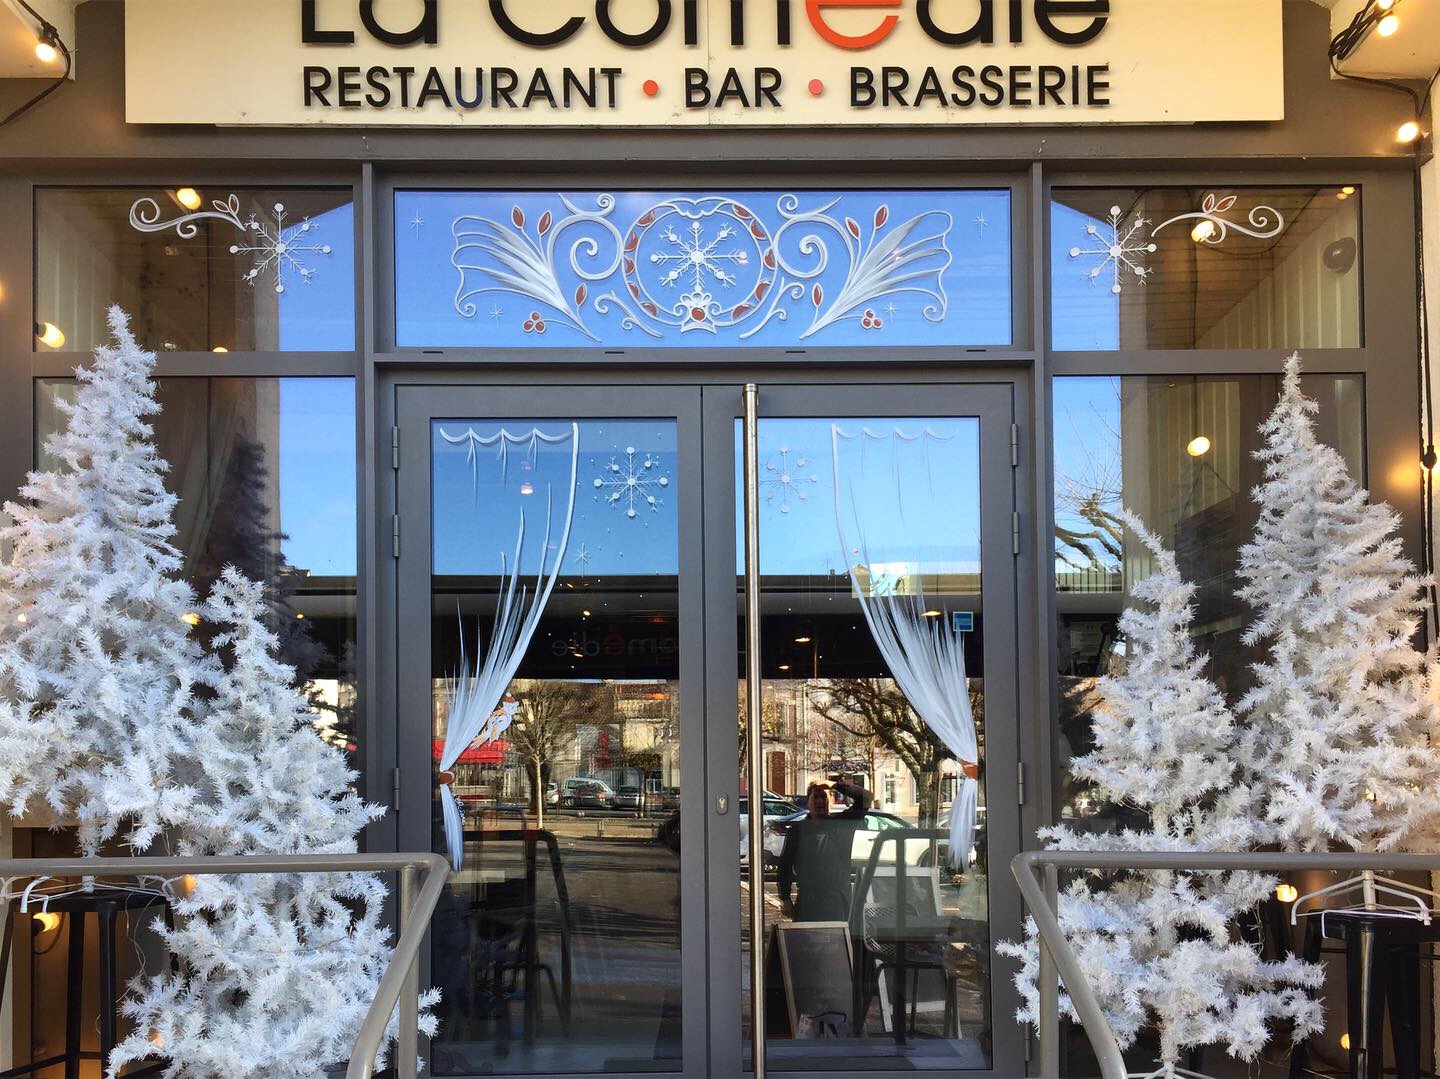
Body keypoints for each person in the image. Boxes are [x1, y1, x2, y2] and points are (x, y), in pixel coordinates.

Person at [777, 779, 872, 922]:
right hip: (808, 903)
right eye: (815, 797)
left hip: (838, 903)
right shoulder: (797, 831)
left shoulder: (843, 824)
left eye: (823, 797)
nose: (819, 801)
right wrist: (785, 898)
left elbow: (866, 797)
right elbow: (785, 865)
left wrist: (835, 785)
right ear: (808, 801)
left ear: (831, 801)